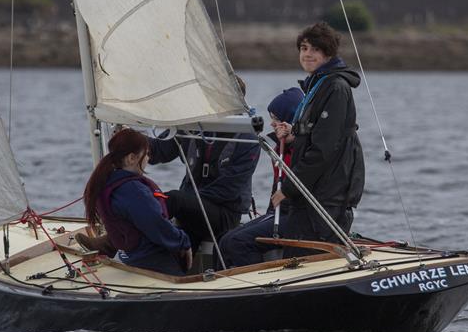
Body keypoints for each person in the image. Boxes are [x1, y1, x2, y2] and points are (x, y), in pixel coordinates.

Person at [270, 22, 365, 257]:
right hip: (313, 194)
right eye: (303, 48)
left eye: (315, 49)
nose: (307, 54)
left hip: (327, 197)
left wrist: (289, 189)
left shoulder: (336, 87)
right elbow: (315, 132)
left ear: (329, 53)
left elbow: (323, 148)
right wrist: (294, 133)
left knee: (306, 258)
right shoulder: (320, 83)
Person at [148, 77, 261, 252]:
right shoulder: (192, 126)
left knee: (174, 199)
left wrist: (187, 201)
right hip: (193, 208)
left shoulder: (247, 137)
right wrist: (129, 138)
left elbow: (228, 190)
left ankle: (113, 242)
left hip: (224, 214)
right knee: (151, 199)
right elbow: (157, 151)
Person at [78, 129, 192, 276]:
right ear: (132, 158)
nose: (148, 159)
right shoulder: (134, 191)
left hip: (131, 257)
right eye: (146, 154)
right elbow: (155, 224)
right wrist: (184, 242)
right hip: (152, 260)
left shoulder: (109, 182)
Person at [218, 88, 304, 268]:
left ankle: (256, 285)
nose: (272, 124)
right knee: (224, 241)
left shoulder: (303, 150)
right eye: (271, 118)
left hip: (297, 216)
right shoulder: (280, 148)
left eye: (277, 119)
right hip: (279, 213)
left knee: (238, 242)